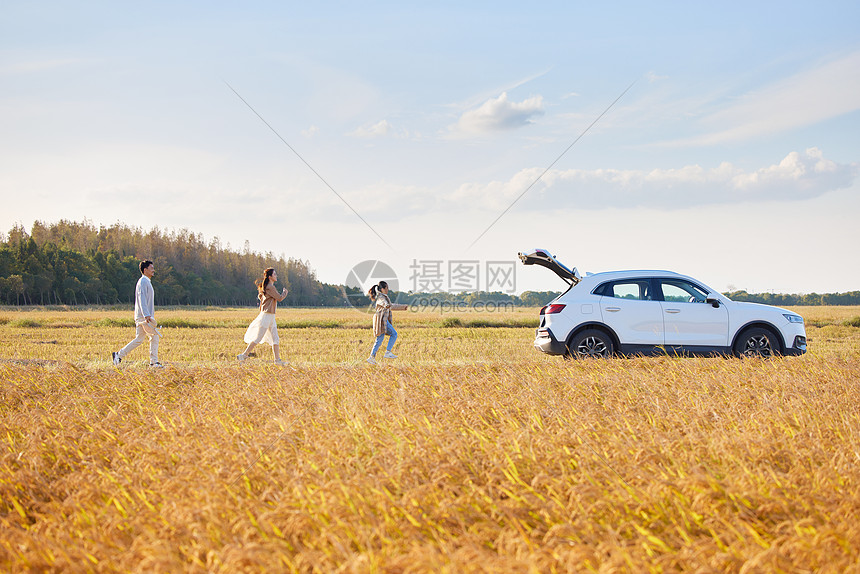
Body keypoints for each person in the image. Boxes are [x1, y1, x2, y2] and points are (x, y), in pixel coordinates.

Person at [112, 260, 163, 368]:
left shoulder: (146, 281)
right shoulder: (143, 281)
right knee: (154, 336)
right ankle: (153, 362)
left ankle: (118, 355)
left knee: (139, 339)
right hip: (143, 317)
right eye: (151, 268)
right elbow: (141, 298)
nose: (153, 270)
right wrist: (146, 315)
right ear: (145, 270)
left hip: (143, 316)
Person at [237, 268, 289, 366]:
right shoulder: (270, 287)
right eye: (275, 274)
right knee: (258, 338)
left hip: (270, 316)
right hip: (267, 316)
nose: (276, 276)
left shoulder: (267, 287)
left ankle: (277, 360)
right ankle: (243, 355)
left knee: (275, 338)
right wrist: (285, 293)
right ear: (270, 277)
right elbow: (279, 298)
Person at [367, 281, 408, 365]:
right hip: (381, 320)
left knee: (380, 339)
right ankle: (387, 352)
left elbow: (391, 305)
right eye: (387, 288)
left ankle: (371, 357)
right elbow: (384, 303)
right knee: (394, 334)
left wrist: (403, 307)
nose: (388, 290)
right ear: (382, 289)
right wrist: (386, 305)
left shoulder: (382, 296)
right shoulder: (381, 297)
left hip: (382, 320)